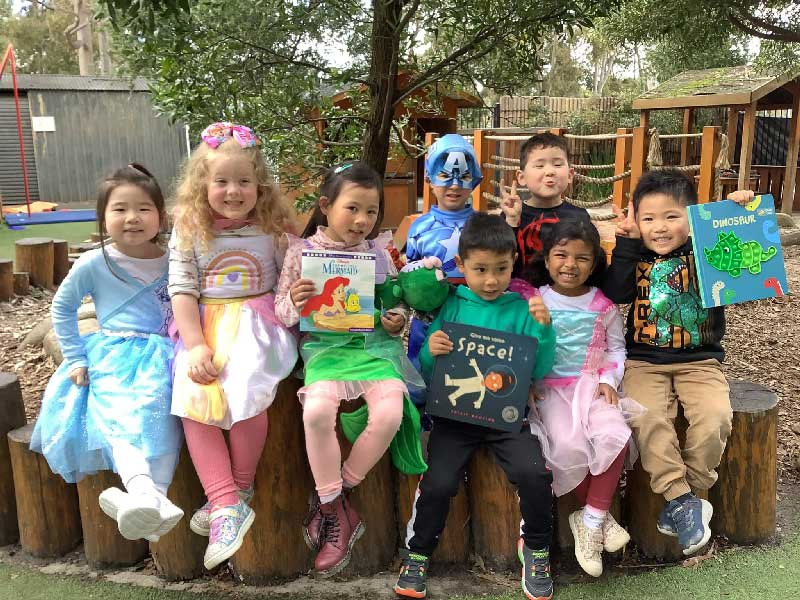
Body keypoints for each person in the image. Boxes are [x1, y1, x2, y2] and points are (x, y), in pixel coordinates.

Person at [395, 212, 557, 600]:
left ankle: (536, 548)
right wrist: (433, 350)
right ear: (462, 266)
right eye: (479, 269)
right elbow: (432, 365)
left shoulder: (521, 309)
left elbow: (540, 367)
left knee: (534, 474)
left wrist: (545, 331)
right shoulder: (451, 305)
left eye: (500, 269)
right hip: (455, 417)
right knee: (439, 482)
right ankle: (417, 554)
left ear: (512, 264)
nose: (489, 280)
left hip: (507, 417)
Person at [275, 162, 422, 577]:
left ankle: (337, 499)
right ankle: (336, 510)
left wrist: (394, 317)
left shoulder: (377, 253)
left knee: (391, 413)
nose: (362, 220)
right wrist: (296, 301)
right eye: (352, 208)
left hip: (374, 350)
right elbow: (282, 313)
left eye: (371, 212)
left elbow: (396, 304)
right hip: (325, 351)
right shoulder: (302, 253)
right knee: (317, 413)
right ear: (325, 206)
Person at [602, 170, 753, 556]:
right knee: (647, 417)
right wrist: (625, 241)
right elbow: (614, 292)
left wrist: (732, 214)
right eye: (649, 218)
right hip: (644, 362)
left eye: (672, 216)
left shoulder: (705, 247)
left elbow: (738, 249)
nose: (660, 227)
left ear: (692, 217)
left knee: (715, 417)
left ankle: (686, 496)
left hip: (701, 361)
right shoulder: (634, 251)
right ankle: (682, 499)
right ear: (637, 220)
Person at [168, 122, 298, 570]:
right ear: (202, 184)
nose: (232, 190)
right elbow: (182, 288)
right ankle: (225, 502)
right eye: (221, 181)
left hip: (258, 319)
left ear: (259, 185)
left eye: (244, 181)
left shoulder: (273, 227)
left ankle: (237, 489)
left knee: (246, 383)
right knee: (191, 392)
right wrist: (196, 344)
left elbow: (290, 278)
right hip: (205, 321)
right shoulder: (189, 228)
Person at [30, 163, 184, 542]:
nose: (132, 218)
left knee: (165, 420)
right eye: (119, 209)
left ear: (160, 217)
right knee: (120, 421)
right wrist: (77, 356)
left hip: (165, 354)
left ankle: (154, 499)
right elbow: (62, 308)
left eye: (144, 209)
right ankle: (144, 493)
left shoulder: (173, 259)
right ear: (102, 217)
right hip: (113, 354)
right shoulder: (94, 262)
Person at [524, 218, 639, 577]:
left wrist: (609, 377)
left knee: (614, 434)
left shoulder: (603, 306)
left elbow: (617, 348)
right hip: (549, 391)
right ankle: (598, 518)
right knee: (566, 447)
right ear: (546, 259)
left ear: (595, 264)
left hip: (591, 385)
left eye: (582, 258)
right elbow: (523, 342)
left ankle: (589, 520)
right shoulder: (536, 301)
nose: (570, 265)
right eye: (561, 255)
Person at [404, 134, 484, 415]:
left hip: (471, 318)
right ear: (430, 179)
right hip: (426, 320)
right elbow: (409, 277)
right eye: (445, 175)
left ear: (475, 179)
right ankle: (416, 436)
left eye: (463, 175)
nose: (453, 184)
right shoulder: (419, 228)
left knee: (466, 382)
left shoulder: (483, 225)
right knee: (418, 382)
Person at [499, 132, 592, 277]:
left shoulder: (579, 216)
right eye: (539, 165)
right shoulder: (510, 214)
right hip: (520, 295)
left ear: (570, 175)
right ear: (521, 177)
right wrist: (512, 221)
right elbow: (498, 259)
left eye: (557, 164)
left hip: (565, 294)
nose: (549, 171)